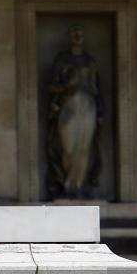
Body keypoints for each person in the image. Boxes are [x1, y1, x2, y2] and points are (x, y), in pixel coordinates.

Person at [47, 25, 103, 199]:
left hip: (88, 105)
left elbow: (96, 88)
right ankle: (66, 184)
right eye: (74, 34)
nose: (77, 37)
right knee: (69, 148)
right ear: (69, 37)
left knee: (84, 148)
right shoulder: (62, 60)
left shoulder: (89, 61)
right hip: (68, 105)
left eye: (80, 33)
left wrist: (101, 110)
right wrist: (66, 85)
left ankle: (77, 186)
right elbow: (52, 86)